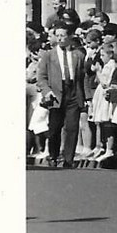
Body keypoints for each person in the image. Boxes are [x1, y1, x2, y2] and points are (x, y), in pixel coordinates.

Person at [36, 23, 86, 168]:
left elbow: (82, 78)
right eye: (57, 35)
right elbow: (42, 77)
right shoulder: (48, 55)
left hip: (73, 93)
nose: (60, 39)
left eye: (63, 35)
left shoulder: (78, 55)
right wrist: (47, 91)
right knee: (54, 128)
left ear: (70, 36)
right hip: (56, 94)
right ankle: (53, 155)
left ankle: (68, 159)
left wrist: (85, 98)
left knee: (72, 127)